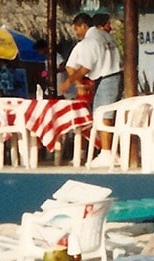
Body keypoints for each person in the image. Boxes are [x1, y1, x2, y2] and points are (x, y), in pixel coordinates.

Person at [59, 12, 122, 168]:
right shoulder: (107, 36)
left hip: (107, 77)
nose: (76, 33)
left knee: (103, 115)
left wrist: (69, 81)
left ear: (84, 26)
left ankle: (107, 152)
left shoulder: (89, 41)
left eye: (77, 29)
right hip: (115, 76)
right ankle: (111, 151)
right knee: (108, 115)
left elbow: (85, 68)